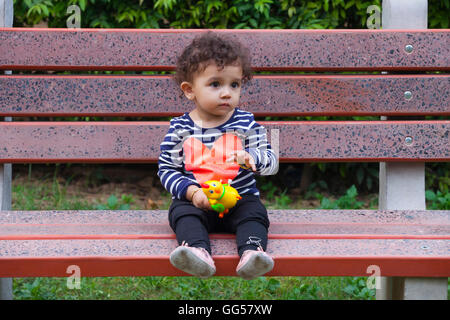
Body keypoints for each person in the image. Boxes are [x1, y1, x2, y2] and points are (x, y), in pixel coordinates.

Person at [157, 31, 278, 280]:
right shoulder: (180, 128)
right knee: (182, 214)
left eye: (234, 84)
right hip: (197, 201)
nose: (226, 92)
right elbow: (166, 170)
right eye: (215, 84)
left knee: (255, 214)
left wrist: (253, 159)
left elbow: (270, 160)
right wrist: (193, 192)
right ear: (190, 90)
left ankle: (252, 252)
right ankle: (196, 251)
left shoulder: (245, 122)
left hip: (239, 199)